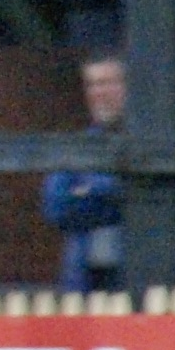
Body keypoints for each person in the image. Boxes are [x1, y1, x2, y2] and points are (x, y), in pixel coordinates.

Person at [42, 54, 125, 292]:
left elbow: (142, 198)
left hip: (139, 283)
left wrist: (88, 192)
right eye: (92, 84)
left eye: (108, 82)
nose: (99, 92)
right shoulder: (77, 147)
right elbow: (56, 207)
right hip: (84, 284)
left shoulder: (153, 143)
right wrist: (112, 194)